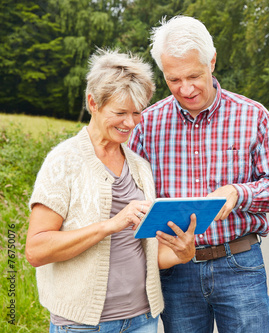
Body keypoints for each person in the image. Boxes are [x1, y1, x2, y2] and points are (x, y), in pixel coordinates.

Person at [128, 15, 269, 333]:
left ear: (212, 61)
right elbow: (128, 194)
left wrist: (238, 192)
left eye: (194, 75)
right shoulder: (147, 124)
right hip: (175, 268)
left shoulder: (253, 115)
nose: (186, 89)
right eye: (174, 79)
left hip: (240, 263)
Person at [25, 49, 196, 332]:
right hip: (83, 324)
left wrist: (183, 252)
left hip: (142, 319)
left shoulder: (140, 166)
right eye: (120, 113)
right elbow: (36, 250)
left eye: (136, 113)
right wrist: (110, 225)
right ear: (93, 103)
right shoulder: (63, 161)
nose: (130, 123)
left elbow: (151, 254)